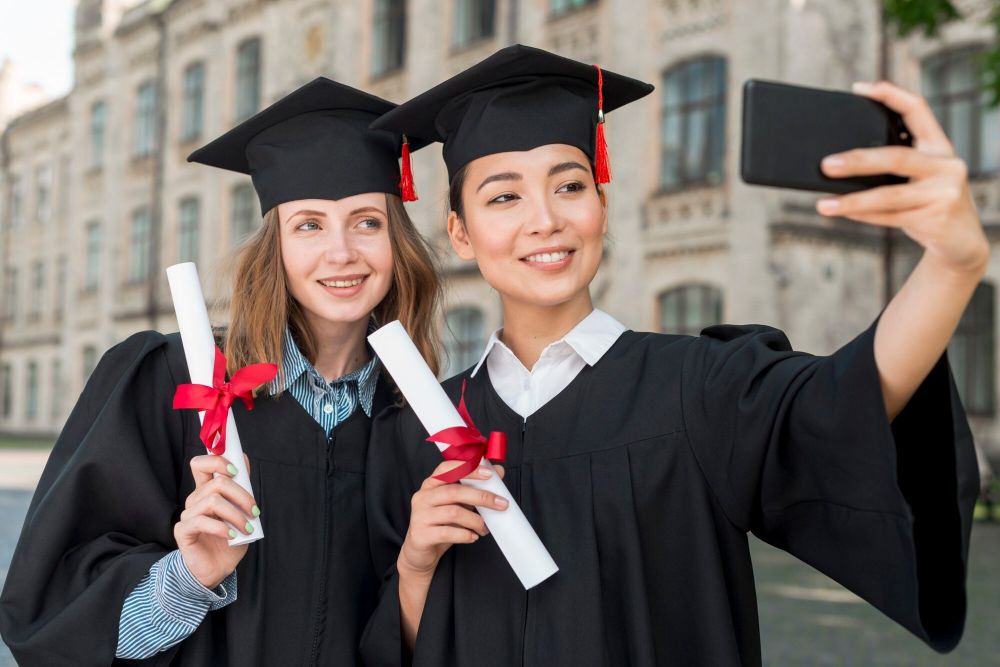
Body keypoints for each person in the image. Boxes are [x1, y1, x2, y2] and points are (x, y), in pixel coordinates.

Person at [360, 45, 983, 666]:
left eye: (570, 185)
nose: (545, 219)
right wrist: (416, 564)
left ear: (601, 206)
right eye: (504, 197)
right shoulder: (416, 433)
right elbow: (396, 649)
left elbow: (846, 405)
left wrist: (952, 266)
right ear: (461, 233)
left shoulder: (702, 388)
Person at [0, 77, 440, 666]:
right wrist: (188, 576)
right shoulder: (170, 382)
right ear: (274, 247)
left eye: (367, 222)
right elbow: (56, 614)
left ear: (397, 243)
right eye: (308, 224)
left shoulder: (420, 420)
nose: (341, 252)